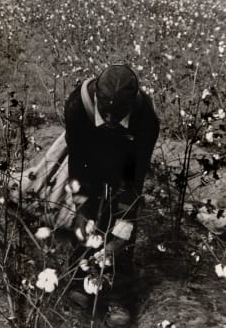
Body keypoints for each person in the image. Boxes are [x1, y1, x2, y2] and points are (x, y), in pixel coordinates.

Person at [64, 65, 159, 327]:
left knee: (122, 233)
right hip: (90, 159)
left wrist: (124, 222)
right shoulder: (77, 107)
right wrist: (82, 205)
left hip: (125, 164)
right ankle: (81, 281)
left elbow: (135, 177)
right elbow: (77, 161)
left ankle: (119, 293)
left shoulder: (146, 119)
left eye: (115, 116)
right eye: (105, 113)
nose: (109, 118)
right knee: (87, 220)